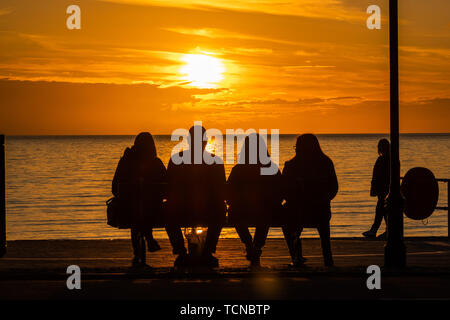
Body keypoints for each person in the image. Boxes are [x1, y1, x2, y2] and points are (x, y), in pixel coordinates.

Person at [165, 125, 226, 268]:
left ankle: (181, 252)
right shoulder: (215, 161)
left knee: (167, 210)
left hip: (181, 211)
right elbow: (222, 191)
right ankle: (207, 252)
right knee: (221, 209)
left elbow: (167, 189)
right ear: (205, 141)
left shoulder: (176, 159)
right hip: (209, 211)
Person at [282, 134, 338, 267]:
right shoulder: (326, 162)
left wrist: (295, 200)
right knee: (324, 234)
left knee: (287, 221)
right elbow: (334, 187)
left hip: (297, 211)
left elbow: (284, 190)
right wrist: (324, 199)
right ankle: (327, 259)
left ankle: (296, 256)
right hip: (321, 210)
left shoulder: (291, 165)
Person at [226, 133, 282, 267]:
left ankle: (248, 243)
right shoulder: (271, 168)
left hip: (241, 211)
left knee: (233, 213)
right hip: (265, 211)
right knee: (266, 212)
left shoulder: (238, 169)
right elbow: (281, 192)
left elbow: (228, 194)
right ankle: (256, 246)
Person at [112, 132, 167, 267]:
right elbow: (167, 188)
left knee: (138, 209)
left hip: (128, 211)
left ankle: (139, 252)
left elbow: (114, 188)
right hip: (152, 211)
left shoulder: (125, 161)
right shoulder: (156, 163)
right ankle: (149, 238)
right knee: (142, 207)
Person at [362, 138, 390, 239]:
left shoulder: (383, 160)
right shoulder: (388, 159)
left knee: (381, 209)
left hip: (383, 189)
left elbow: (379, 175)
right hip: (384, 188)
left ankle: (375, 230)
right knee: (383, 209)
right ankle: (386, 230)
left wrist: (375, 188)